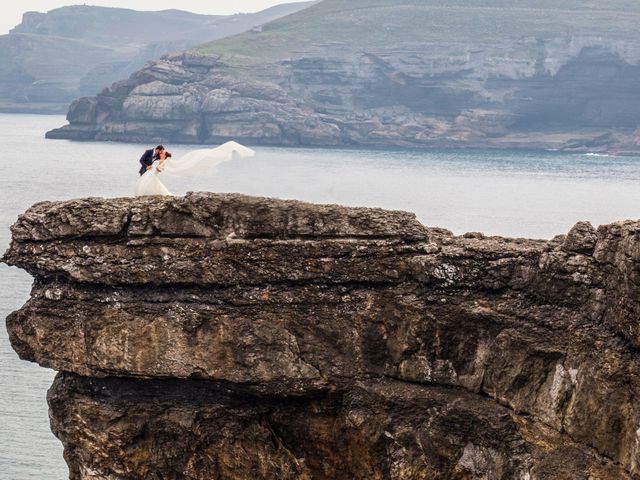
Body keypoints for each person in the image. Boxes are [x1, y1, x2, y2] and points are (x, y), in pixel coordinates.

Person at [134, 141, 256, 197]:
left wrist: (157, 167)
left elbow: (160, 168)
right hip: (149, 172)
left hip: (154, 173)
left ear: (162, 152)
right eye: (160, 152)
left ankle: (148, 195)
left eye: (161, 152)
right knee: (146, 183)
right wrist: (148, 166)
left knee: (149, 185)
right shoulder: (152, 153)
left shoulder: (164, 159)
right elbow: (142, 161)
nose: (160, 153)